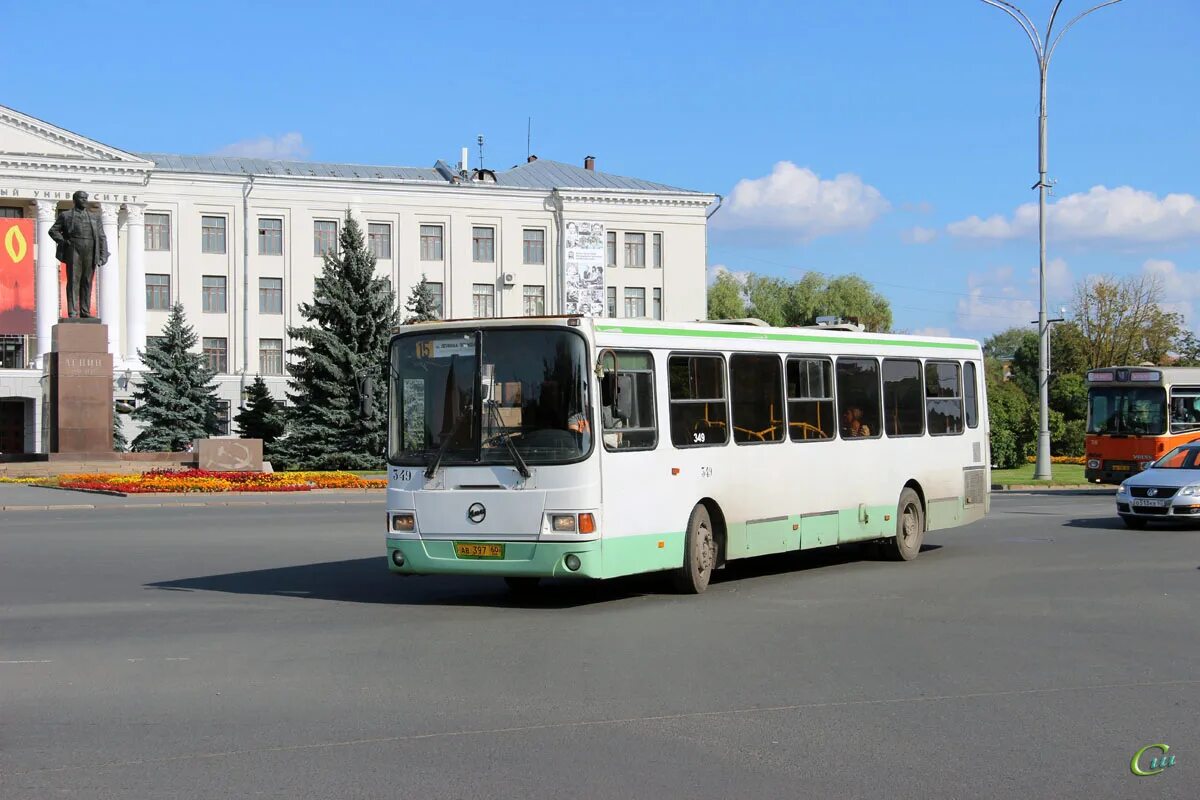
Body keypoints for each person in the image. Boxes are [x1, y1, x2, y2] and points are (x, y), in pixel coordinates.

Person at [48, 190, 110, 319]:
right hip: (74, 248)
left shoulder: (94, 217)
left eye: (86, 198)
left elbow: (102, 237)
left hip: (90, 250)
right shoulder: (66, 215)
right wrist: (63, 241)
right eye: (82, 198)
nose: (84, 201)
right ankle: (72, 311)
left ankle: (85, 311)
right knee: (73, 281)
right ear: (75, 200)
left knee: (87, 281)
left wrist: (103, 255)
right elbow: (53, 230)